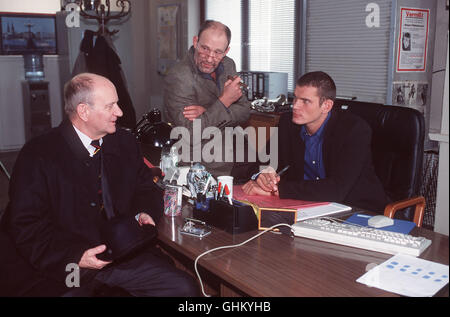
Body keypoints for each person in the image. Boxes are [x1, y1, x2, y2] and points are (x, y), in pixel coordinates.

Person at [0, 73, 198, 297]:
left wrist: (143, 211)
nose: (120, 112)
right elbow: (25, 226)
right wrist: (75, 256)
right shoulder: (39, 155)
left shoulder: (124, 142)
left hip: (122, 257)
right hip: (68, 266)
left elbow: (146, 187)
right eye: (110, 106)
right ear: (84, 111)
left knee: (183, 289)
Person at [242, 71, 390, 212]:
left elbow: (337, 189)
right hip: (306, 206)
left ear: (326, 106)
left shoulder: (354, 130)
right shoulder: (288, 123)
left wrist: (277, 191)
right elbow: (260, 163)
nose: (295, 106)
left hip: (356, 209)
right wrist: (262, 176)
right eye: (295, 98)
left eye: (305, 101)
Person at [163, 20, 251, 178]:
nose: (210, 58)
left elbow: (245, 110)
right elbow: (189, 132)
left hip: (235, 159)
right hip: (198, 166)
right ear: (195, 42)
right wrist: (224, 102)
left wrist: (209, 110)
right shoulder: (180, 76)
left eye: (218, 52)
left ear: (226, 51)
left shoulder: (228, 64)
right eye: (205, 48)